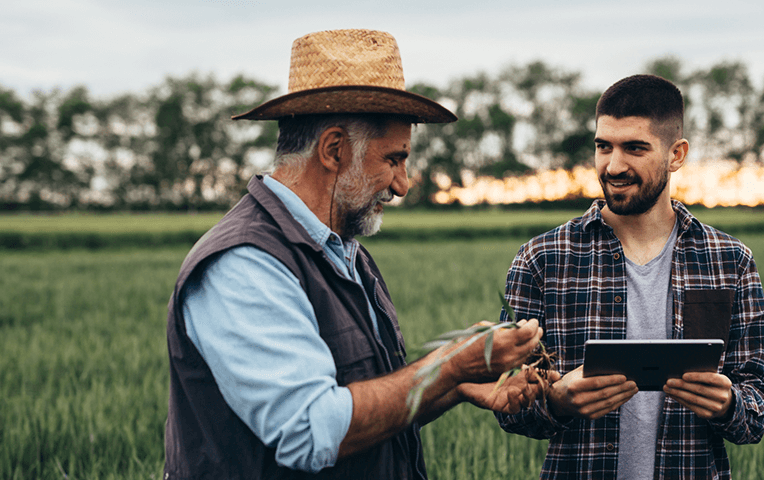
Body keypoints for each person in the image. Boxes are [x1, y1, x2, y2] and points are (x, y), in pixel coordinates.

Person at [164, 29, 546, 479]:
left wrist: (457, 385)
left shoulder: (346, 254)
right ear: (334, 150)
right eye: (394, 159)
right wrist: (452, 362)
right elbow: (312, 430)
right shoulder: (245, 263)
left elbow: (366, 407)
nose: (403, 184)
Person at [495, 74, 764, 479]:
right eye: (603, 146)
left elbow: (758, 408)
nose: (613, 165)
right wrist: (556, 402)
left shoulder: (730, 261)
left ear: (676, 154)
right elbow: (507, 400)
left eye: (634, 148)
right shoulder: (542, 259)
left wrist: (729, 403)